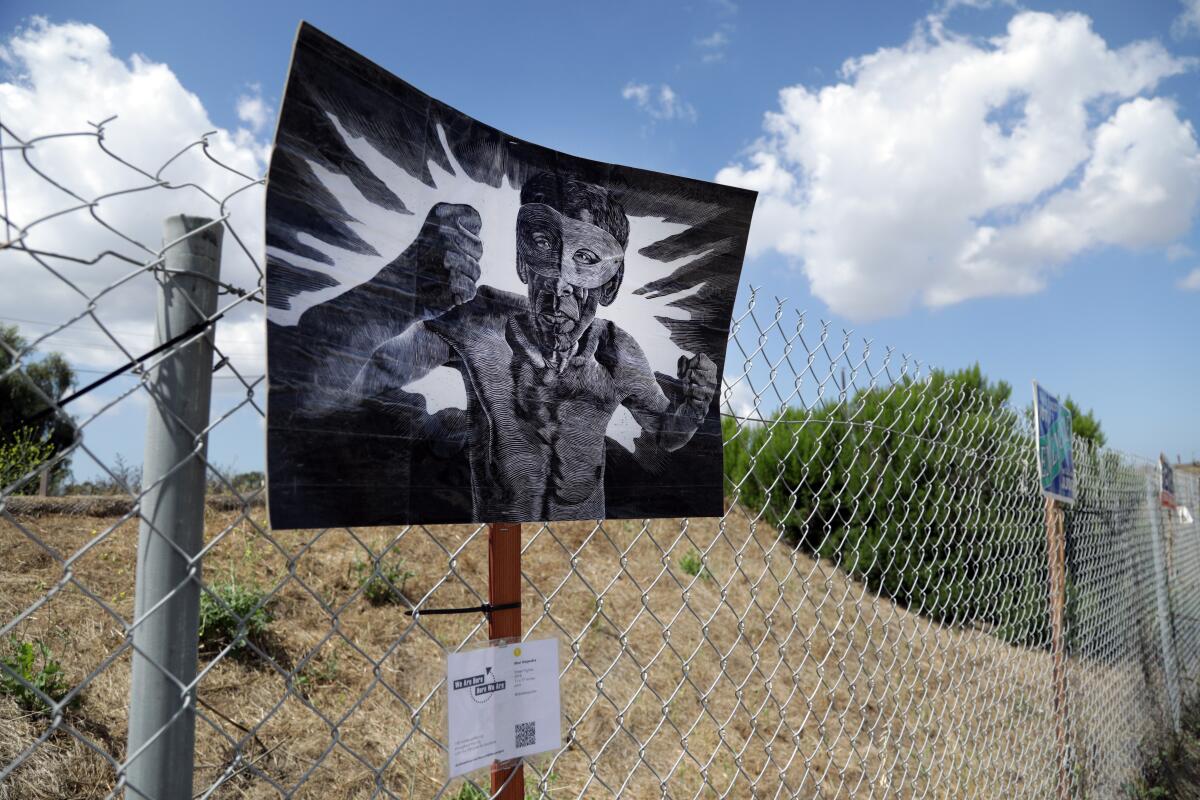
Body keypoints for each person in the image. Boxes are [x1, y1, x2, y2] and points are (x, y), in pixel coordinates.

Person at [348, 172, 718, 521]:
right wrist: (397, 298)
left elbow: (668, 435)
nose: (560, 285)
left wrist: (694, 406)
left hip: (584, 544)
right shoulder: (478, 324)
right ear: (523, 262)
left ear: (610, 284)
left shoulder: (615, 352)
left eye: (586, 259)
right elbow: (362, 378)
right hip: (496, 536)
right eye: (543, 245)